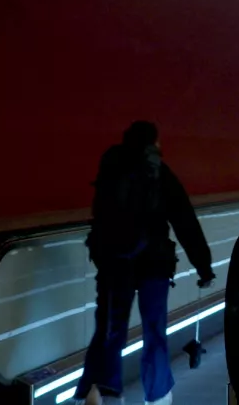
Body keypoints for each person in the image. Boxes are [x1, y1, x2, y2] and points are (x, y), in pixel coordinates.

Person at [73, 122, 215, 405]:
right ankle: (157, 394)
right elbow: (184, 221)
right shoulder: (160, 172)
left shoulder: (111, 166)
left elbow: (100, 215)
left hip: (115, 262)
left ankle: (103, 392)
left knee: (110, 329)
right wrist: (203, 266)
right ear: (154, 142)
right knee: (154, 330)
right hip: (154, 262)